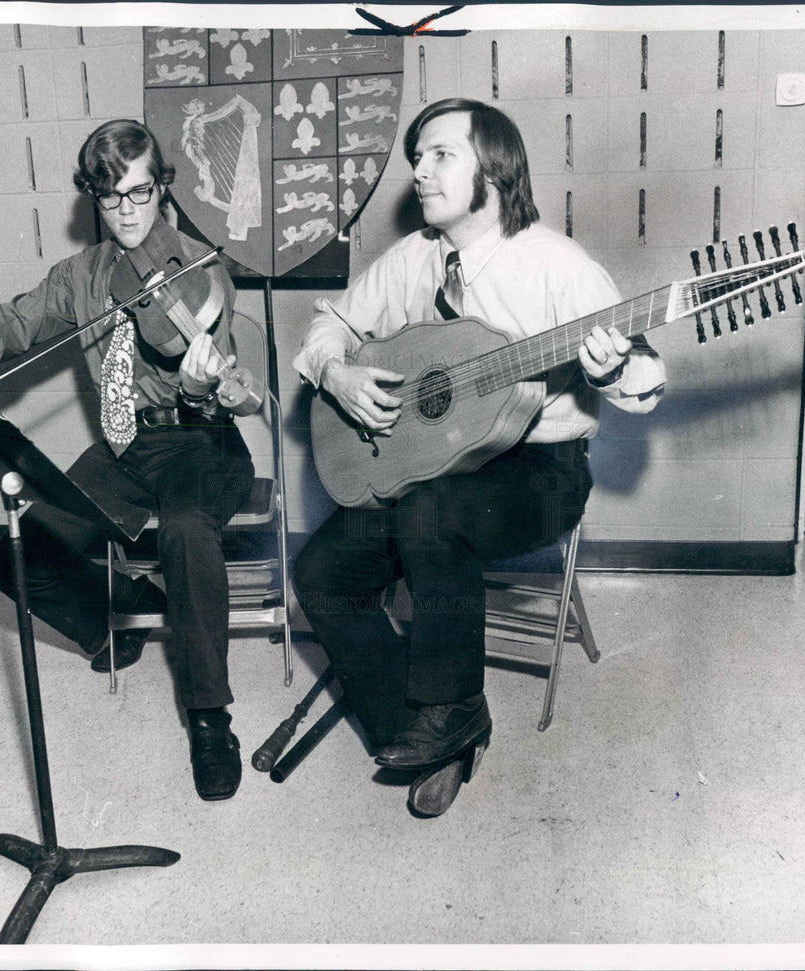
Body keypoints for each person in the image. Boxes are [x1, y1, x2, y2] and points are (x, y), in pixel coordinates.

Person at [292, 98, 667, 817]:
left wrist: (611, 370)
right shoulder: (414, 260)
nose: (419, 172)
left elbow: (648, 380)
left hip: (539, 471)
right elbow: (329, 325)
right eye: (418, 157)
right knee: (321, 572)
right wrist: (336, 372)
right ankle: (430, 725)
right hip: (432, 460)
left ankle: (446, 709)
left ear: (492, 169)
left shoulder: (560, 267)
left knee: (433, 515)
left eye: (439, 155)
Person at [0, 119, 257, 801]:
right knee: (14, 554)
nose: (128, 213)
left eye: (141, 194)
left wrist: (205, 381)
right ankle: (120, 611)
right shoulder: (81, 276)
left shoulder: (202, 270)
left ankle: (209, 718)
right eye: (111, 199)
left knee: (185, 529)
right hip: (124, 445)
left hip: (202, 440)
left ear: (162, 188)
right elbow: (15, 320)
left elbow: (226, 384)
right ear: (94, 197)